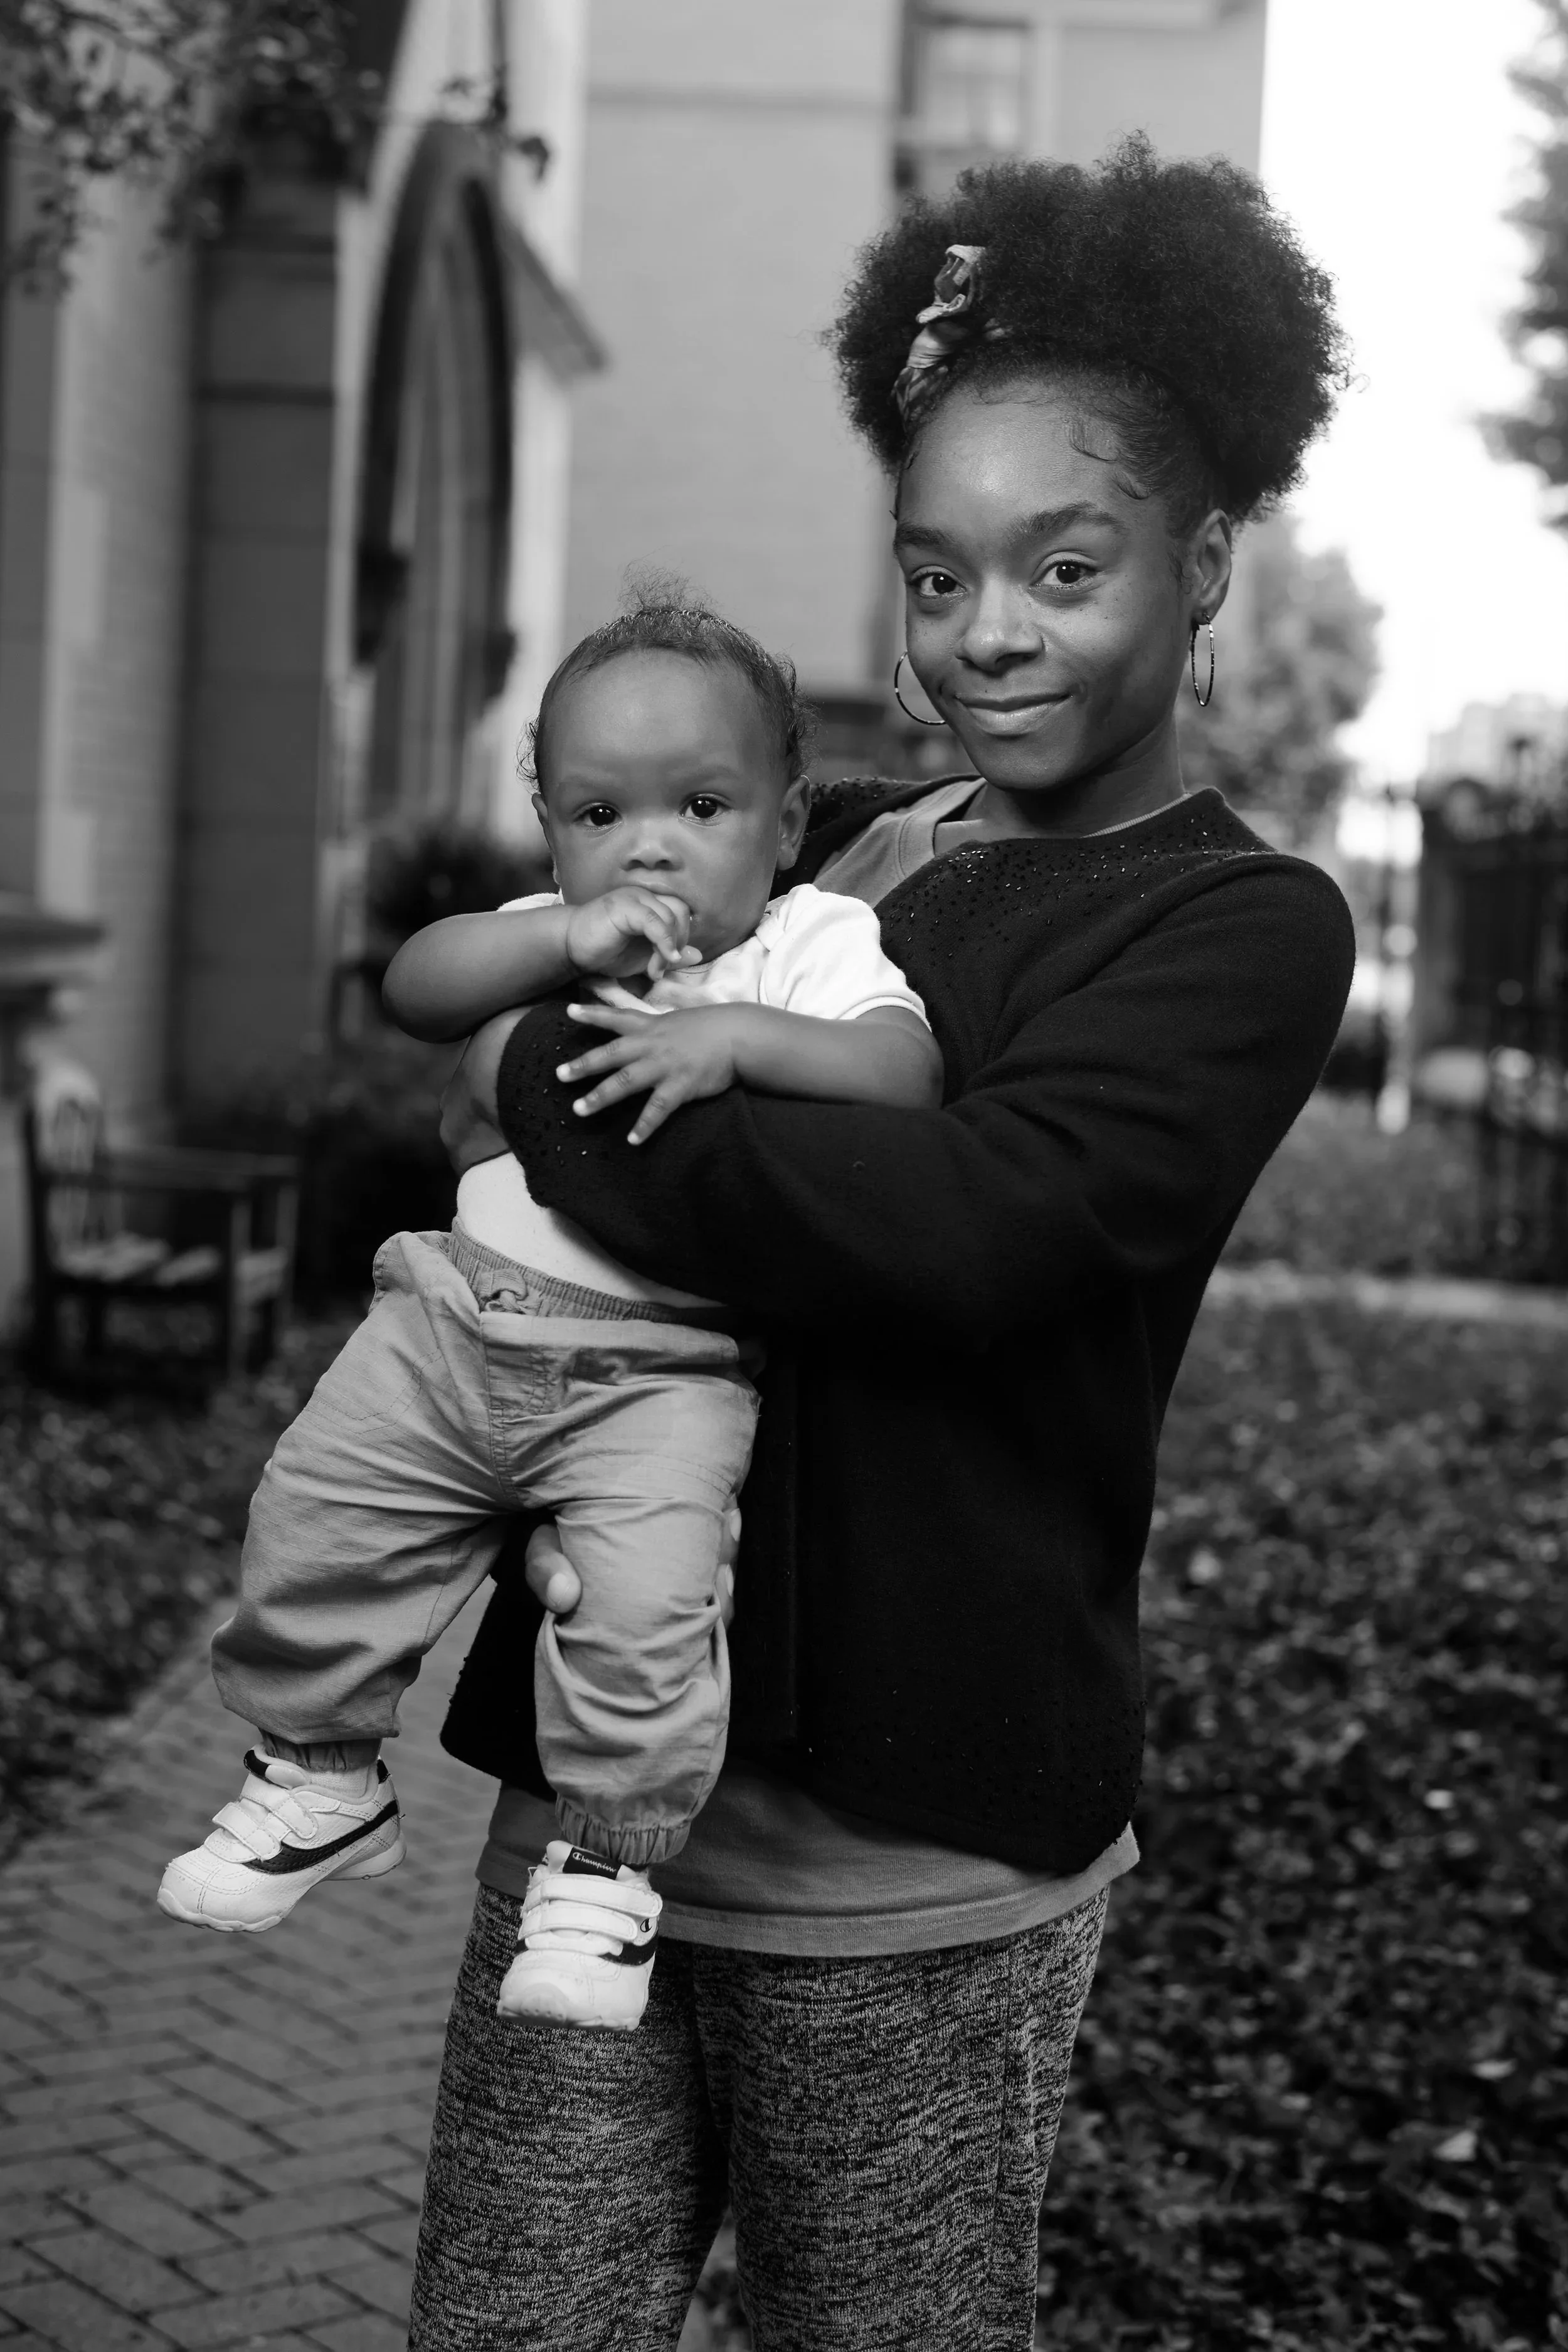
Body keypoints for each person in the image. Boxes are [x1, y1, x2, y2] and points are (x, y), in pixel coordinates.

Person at [410, 139, 1359, 2351]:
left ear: (1204, 565)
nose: (986, 636)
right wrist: (625, 1056)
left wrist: (576, 1077)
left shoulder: (1241, 926)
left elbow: (966, 1234)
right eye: (938, 579)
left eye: (1065, 567)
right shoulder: (845, 828)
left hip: (915, 1864)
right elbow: (554, 999)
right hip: (600, 1791)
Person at [156, 599, 939, 2033]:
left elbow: (901, 1077)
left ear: (785, 819)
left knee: (645, 1608)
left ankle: (607, 1870)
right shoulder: (543, 938)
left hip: (663, 1374)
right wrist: (559, 942)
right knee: (314, 1519)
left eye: (701, 805)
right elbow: (411, 984)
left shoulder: (807, 946)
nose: (649, 845)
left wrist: (730, 1039)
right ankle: (318, 1775)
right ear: (548, 823)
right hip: (451, 1330)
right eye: (598, 811)